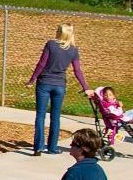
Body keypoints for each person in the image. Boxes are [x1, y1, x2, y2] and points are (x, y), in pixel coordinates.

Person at [26, 24, 94, 156]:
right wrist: (85, 87)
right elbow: (77, 70)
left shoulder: (51, 44)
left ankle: (38, 147)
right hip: (60, 85)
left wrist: (32, 79)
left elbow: (42, 64)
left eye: (57, 30)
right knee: (55, 117)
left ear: (60, 33)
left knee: (40, 116)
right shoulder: (73, 50)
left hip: (44, 83)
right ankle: (52, 148)